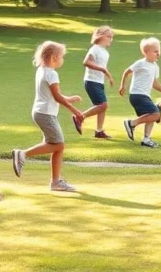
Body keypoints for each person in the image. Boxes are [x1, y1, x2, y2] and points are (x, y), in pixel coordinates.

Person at [10, 41, 85, 193]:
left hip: (41, 112)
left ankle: (55, 182)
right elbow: (56, 97)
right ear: (53, 58)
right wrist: (75, 111)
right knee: (59, 145)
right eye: (62, 56)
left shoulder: (42, 70)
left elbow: (53, 94)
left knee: (56, 147)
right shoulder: (52, 73)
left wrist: (68, 99)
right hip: (46, 114)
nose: (63, 59)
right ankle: (22, 154)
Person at [118, 38, 161, 148]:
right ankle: (131, 123)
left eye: (159, 51)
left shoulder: (155, 67)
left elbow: (155, 84)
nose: (158, 54)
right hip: (137, 95)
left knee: (152, 115)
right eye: (155, 51)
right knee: (156, 114)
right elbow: (127, 72)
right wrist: (122, 85)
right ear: (146, 52)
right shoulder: (141, 63)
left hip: (144, 95)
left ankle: (146, 139)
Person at [81, 26, 115, 139]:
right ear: (100, 36)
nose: (111, 39)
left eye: (112, 37)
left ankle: (99, 131)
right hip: (91, 81)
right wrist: (103, 70)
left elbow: (102, 67)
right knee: (103, 105)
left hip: (99, 82)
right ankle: (80, 117)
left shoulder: (105, 52)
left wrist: (108, 76)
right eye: (109, 36)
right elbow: (86, 62)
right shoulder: (95, 49)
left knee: (102, 106)